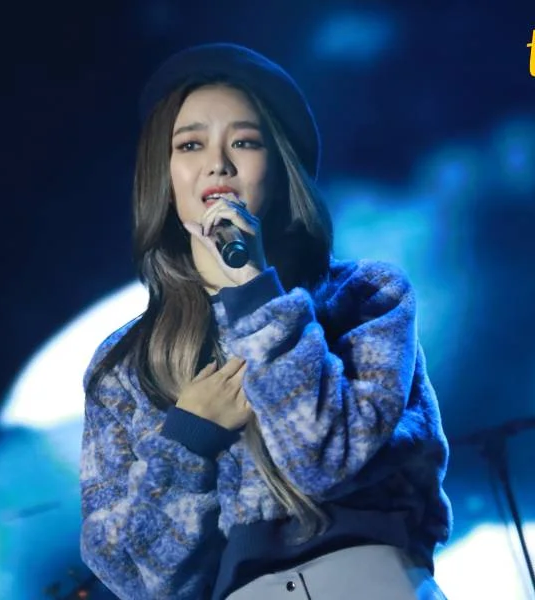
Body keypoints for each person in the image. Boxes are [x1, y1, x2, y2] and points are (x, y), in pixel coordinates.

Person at [78, 42, 452, 600]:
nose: (218, 163)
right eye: (190, 144)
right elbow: (136, 577)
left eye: (245, 142)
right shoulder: (126, 367)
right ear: (164, 175)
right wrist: (189, 438)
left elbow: (326, 460)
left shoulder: (367, 299)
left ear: (280, 169)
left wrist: (255, 297)